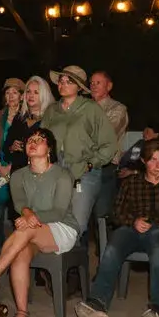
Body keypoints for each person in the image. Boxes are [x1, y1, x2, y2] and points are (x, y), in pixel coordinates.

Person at [76, 137, 159, 317]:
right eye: (153, 160)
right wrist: (134, 221)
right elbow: (116, 213)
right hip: (131, 229)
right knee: (113, 247)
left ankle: (157, 308)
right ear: (143, 161)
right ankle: (98, 302)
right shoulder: (131, 183)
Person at [0, 129, 77, 317]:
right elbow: (19, 204)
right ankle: (23, 314)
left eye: (39, 140)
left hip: (61, 227)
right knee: (20, 254)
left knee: (25, 230)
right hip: (30, 228)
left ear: (49, 149)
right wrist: (27, 214)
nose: (33, 143)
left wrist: (31, 218)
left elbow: (59, 212)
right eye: (30, 140)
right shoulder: (18, 175)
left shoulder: (62, 175)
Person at [40, 65, 116, 239]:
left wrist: (91, 163)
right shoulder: (52, 110)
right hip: (56, 170)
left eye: (69, 82)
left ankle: (75, 254)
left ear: (79, 87)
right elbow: (42, 139)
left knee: (76, 225)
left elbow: (109, 144)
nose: (63, 84)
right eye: (61, 81)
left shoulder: (91, 108)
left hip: (83, 171)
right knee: (54, 222)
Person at [0, 78, 30, 263]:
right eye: (7, 93)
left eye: (15, 92)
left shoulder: (28, 118)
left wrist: (12, 167)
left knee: (20, 218)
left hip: (20, 173)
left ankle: (20, 259)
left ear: (21, 96)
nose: (11, 96)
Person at [88, 70, 127, 221]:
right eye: (91, 83)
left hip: (105, 166)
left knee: (102, 213)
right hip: (84, 165)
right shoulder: (83, 107)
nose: (93, 86)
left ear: (109, 86)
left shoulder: (117, 108)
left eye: (98, 83)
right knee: (82, 211)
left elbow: (105, 134)